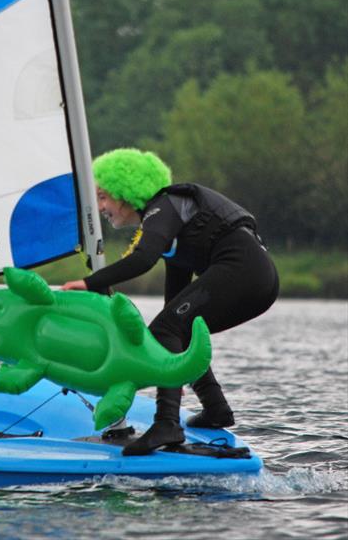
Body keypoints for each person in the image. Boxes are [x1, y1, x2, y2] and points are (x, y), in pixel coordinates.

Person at [62, 148, 279, 457]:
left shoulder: (164, 207)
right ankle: (215, 409)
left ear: (126, 193)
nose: (101, 207)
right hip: (257, 280)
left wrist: (87, 283)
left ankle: (167, 424)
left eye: (104, 197)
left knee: (167, 331)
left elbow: (143, 259)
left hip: (245, 272)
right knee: (174, 330)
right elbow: (172, 306)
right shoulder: (172, 226)